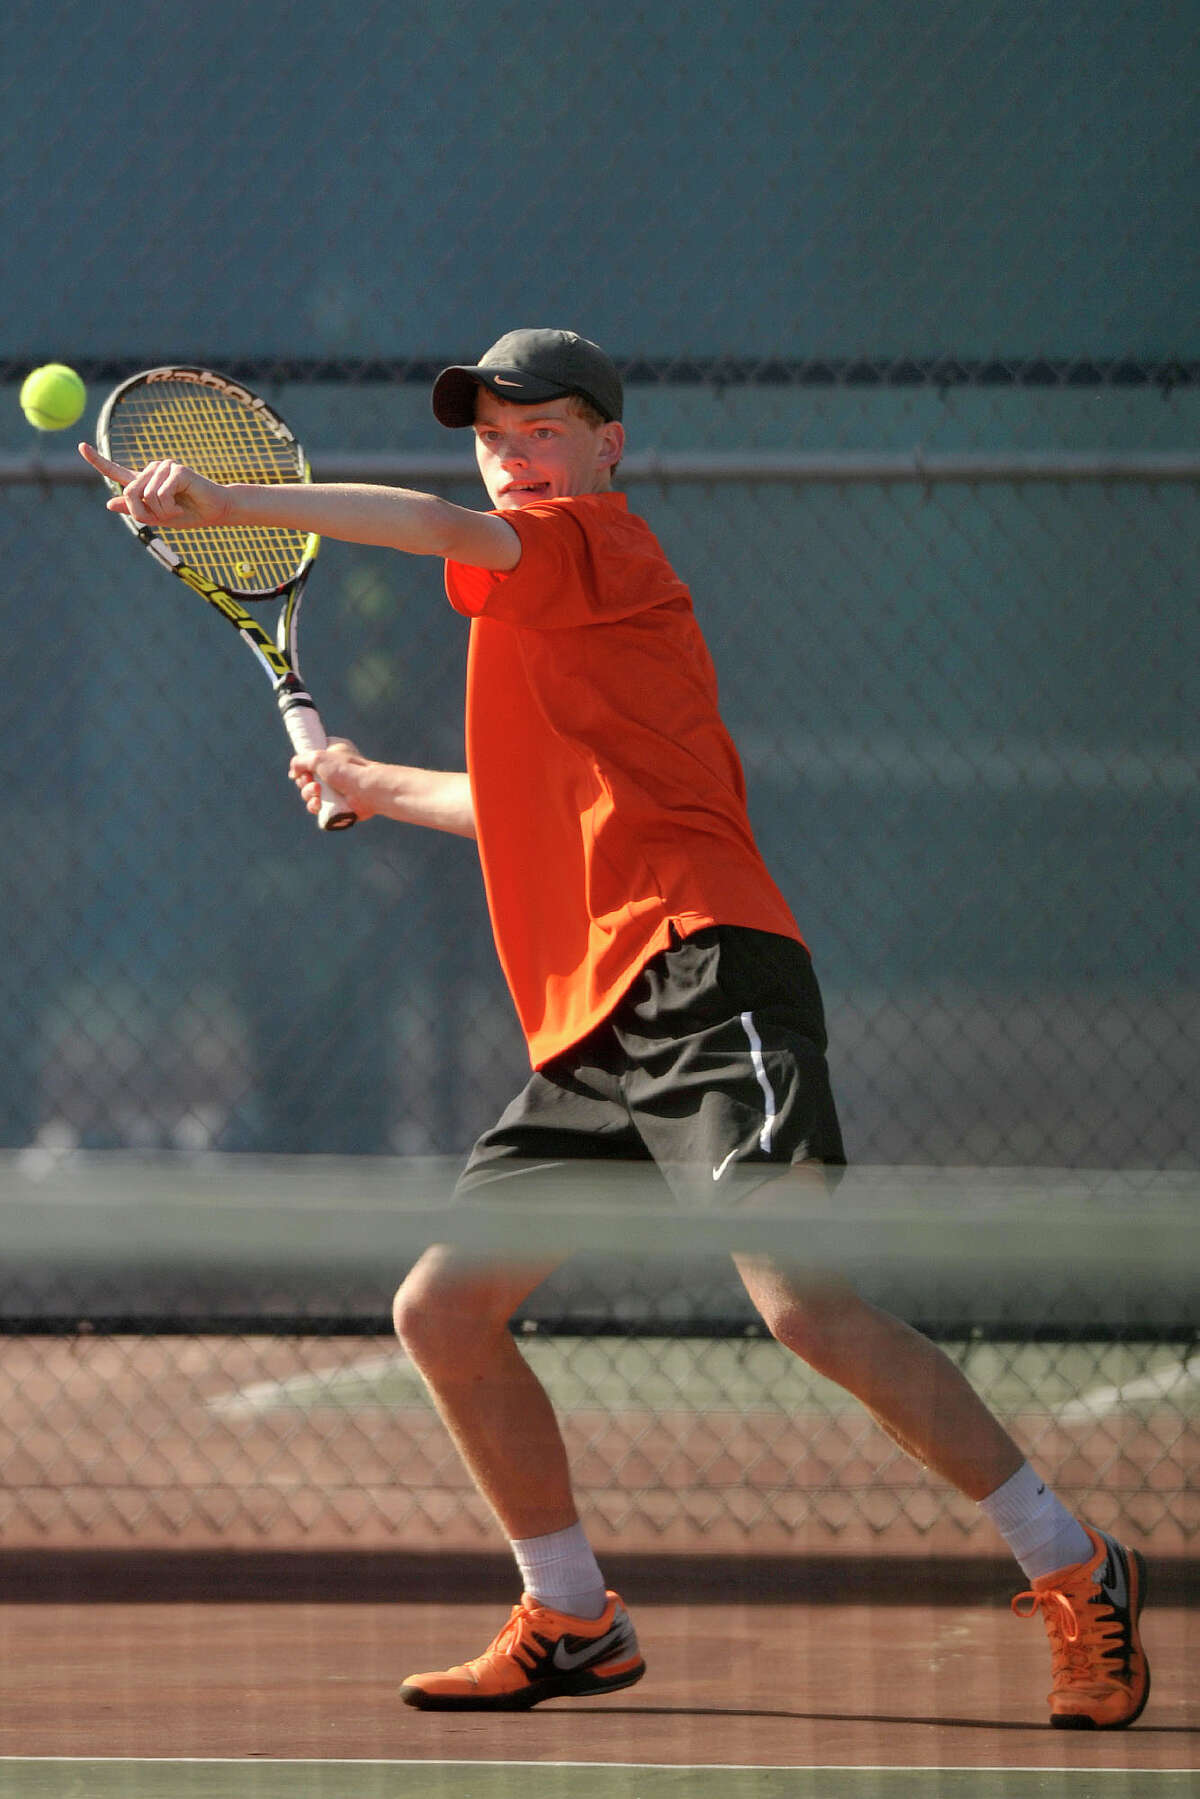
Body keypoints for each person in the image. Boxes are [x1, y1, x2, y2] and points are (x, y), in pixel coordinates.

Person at [80, 328, 1149, 1728]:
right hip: (588, 1029)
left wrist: (235, 508)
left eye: (541, 431)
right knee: (444, 1310)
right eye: (491, 435)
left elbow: (430, 525)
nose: (512, 457)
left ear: (606, 447)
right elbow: (523, 811)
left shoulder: (594, 548)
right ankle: (572, 1613)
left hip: (708, 976)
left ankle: (1076, 1566)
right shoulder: (522, 621)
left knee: (804, 1305)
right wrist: (370, 779)